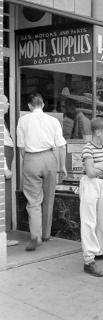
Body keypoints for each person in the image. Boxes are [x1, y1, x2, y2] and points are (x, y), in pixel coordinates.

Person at [17, 93, 67, 251]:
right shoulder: (53, 121)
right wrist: (62, 165)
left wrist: (29, 160)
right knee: (49, 197)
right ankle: (46, 234)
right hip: (50, 157)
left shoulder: (23, 120)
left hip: (32, 159)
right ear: (43, 105)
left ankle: (36, 236)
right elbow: (61, 145)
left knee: (33, 200)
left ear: (30, 106)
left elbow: (21, 148)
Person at [80, 118, 103, 277]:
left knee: (101, 220)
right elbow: (89, 173)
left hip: (102, 184)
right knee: (89, 221)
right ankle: (88, 261)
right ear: (97, 132)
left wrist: (96, 166)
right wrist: (102, 168)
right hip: (89, 184)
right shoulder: (87, 148)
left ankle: (99, 252)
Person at [3, 95, 19, 247]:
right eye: (7, 102)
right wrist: (5, 168)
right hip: (3, 169)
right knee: (4, 199)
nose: (9, 104)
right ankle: (3, 236)